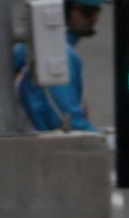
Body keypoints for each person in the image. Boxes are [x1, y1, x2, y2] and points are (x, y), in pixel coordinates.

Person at [13, 0, 107, 132]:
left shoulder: (28, 49)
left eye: (97, 11)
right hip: (47, 142)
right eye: (87, 11)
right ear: (62, 10)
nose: (94, 19)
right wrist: (102, 140)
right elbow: (68, 121)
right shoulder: (59, 54)